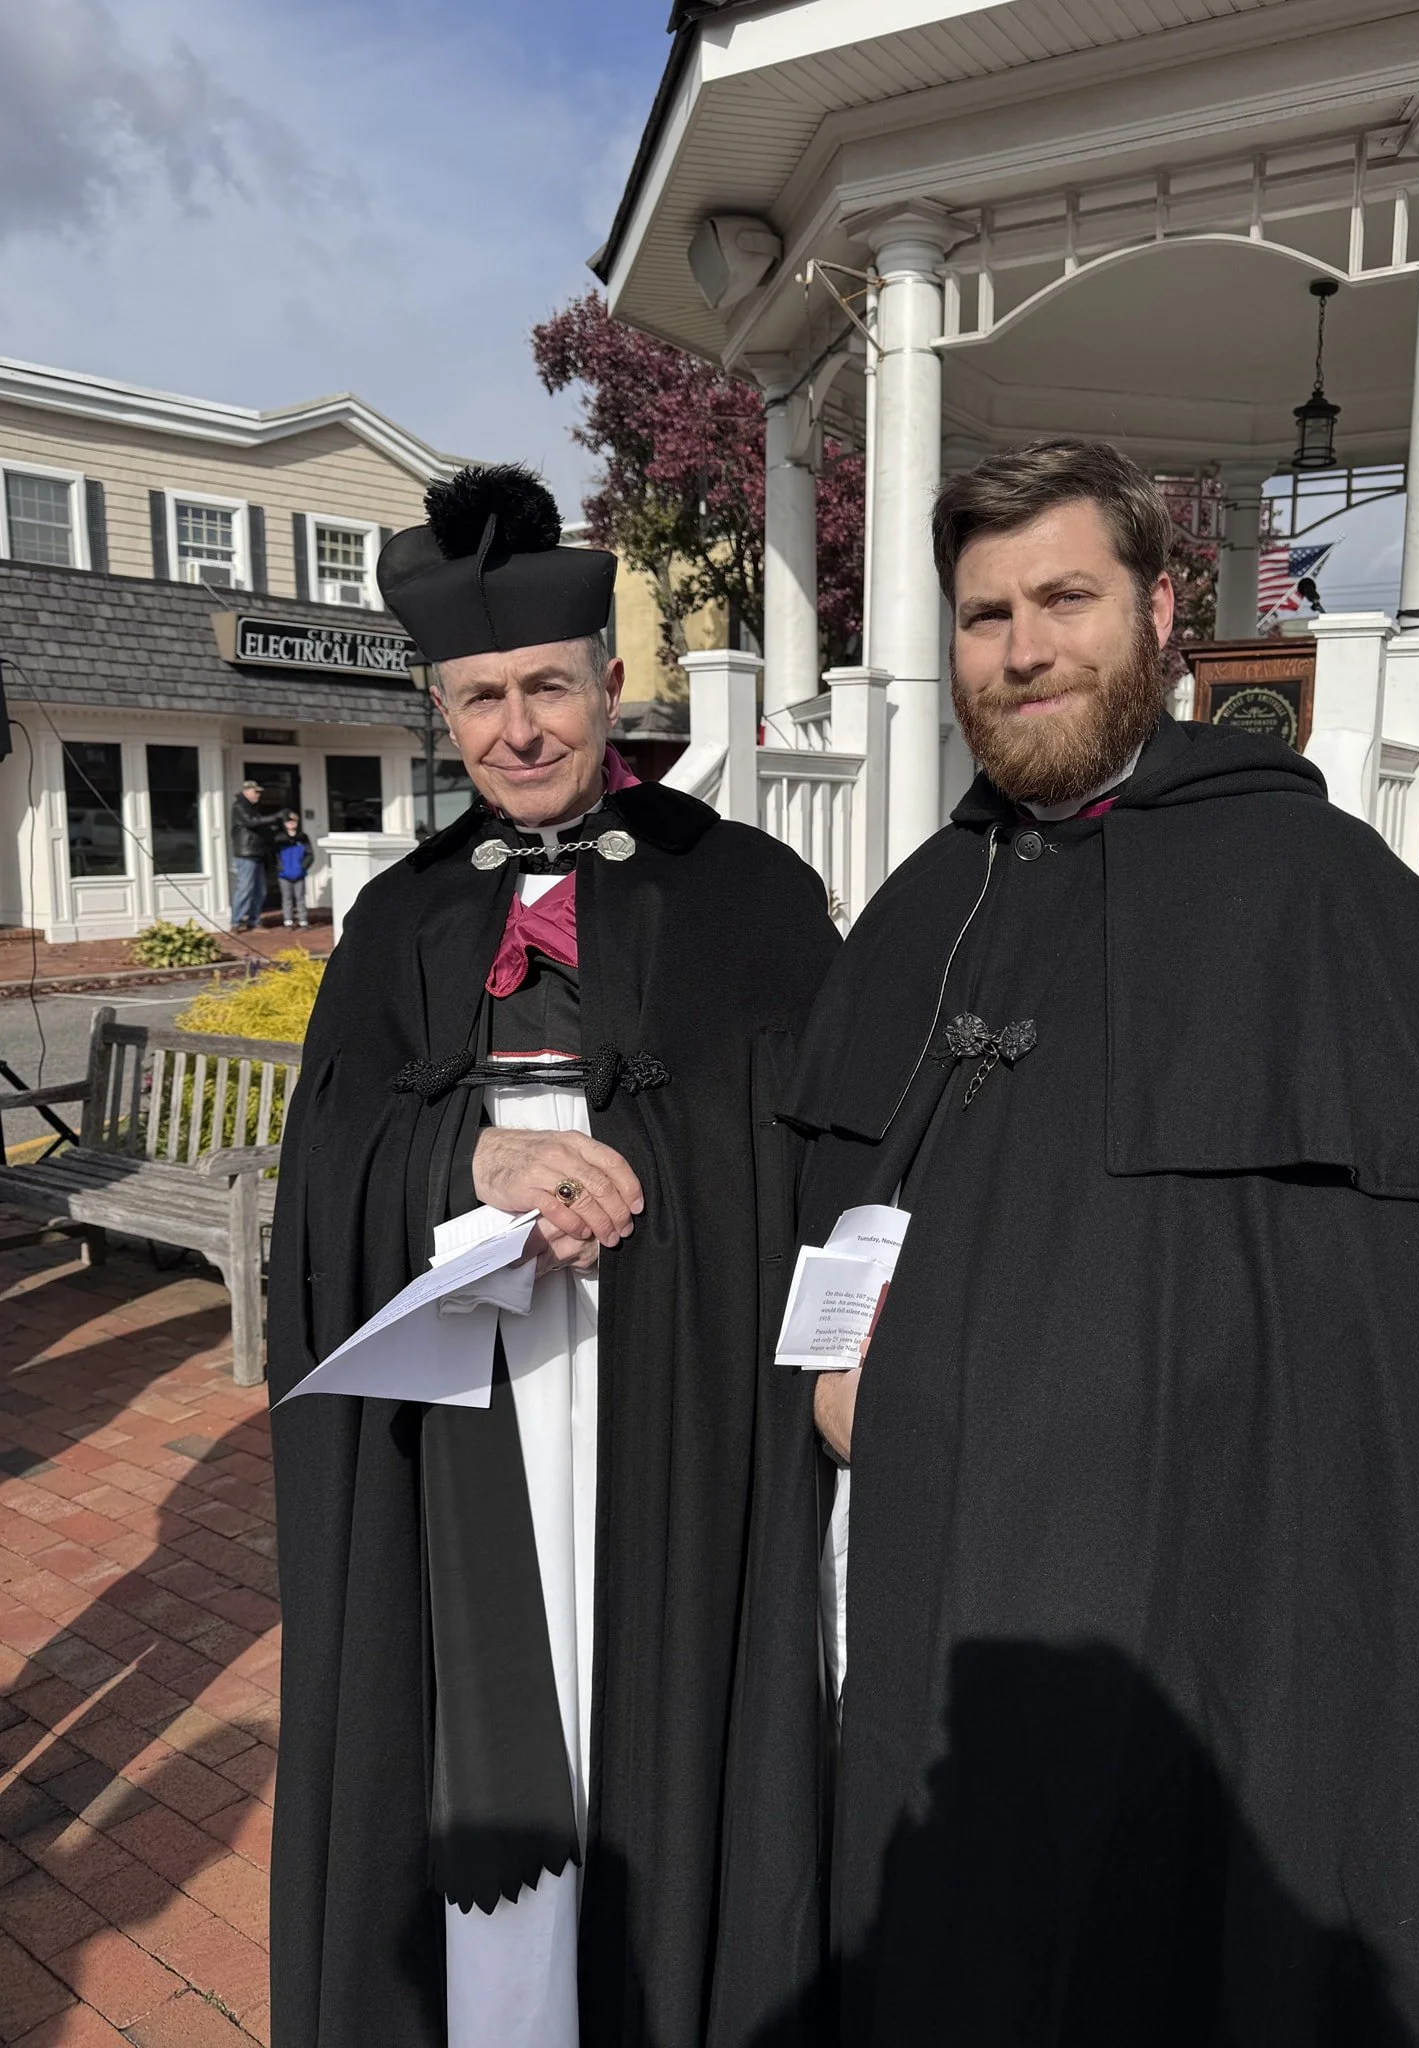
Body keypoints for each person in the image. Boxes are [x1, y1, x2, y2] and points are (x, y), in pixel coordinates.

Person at [748, 438, 1419, 2044]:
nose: (1022, 647)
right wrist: (841, 1374)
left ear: (1162, 610)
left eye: (1062, 598)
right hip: (921, 1573)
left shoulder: (1310, 889)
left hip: (1189, 1603)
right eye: (984, 614)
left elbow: (1341, 1363)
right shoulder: (928, 897)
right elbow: (834, 1205)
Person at [266, 464, 840, 2048]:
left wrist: (663, 1181)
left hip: (678, 1387)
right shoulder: (396, 920)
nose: (516, 731)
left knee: (664, 1701)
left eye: (545, 689)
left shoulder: (752, 894)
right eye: (478, 700)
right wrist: (473, 1154)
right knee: (479, 1710)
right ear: (441, 712)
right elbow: (323, 1177)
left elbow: (829, 1151)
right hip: (470, 1412)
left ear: (606, 685)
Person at [230, 778, 280, 928]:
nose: (258, 795)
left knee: (261, 890)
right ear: (246, 791)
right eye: (255, 791)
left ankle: (254, 920)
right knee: (245, 888)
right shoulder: (240, 806)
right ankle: (236, 921)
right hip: (246, 853)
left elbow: (258, 823)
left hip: (257, 852)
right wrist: (275, 817)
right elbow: (251, 822)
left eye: (259, 792)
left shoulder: (252, 807)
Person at [275, 812, 313, 928]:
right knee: (287, 898)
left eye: (294, 821)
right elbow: (274, 855)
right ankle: (288, 921)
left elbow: (310, 855)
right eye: (288, 821)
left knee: (300, 898)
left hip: (299, 873)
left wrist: (302, 867)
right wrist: (279, 867)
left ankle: (303, 921)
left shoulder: (303, 837)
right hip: (284, 874)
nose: (291, 824)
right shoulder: (279, 838)